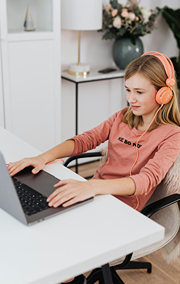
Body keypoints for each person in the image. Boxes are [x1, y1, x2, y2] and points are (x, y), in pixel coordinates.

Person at [8, 51, 180, 284]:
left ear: (164, 94)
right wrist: (42, 157)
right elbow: (84, 140)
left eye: (139, 92)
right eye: (128, 90)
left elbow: (145, 181)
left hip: (121, 210)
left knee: (61, 263)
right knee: (38, 229)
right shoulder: (122, 117)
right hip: (93, 194)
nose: (131, 99)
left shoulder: (172, 134)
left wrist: (93, 187)